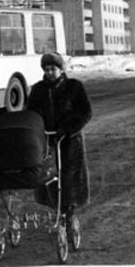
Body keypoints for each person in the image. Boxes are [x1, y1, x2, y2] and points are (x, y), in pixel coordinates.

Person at [26, 52, 92, 244]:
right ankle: (57, 213)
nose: (50, 73)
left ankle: (69, 214)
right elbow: (30, 113)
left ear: (61, 69)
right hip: (47, 142)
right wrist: (37, 129)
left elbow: (85, 112)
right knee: (49, 178)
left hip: (69, 142)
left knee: (69, 180)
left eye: (53, 69)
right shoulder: (38, 90)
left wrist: (68, 129)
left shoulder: (74, 87)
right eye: (46, 70)